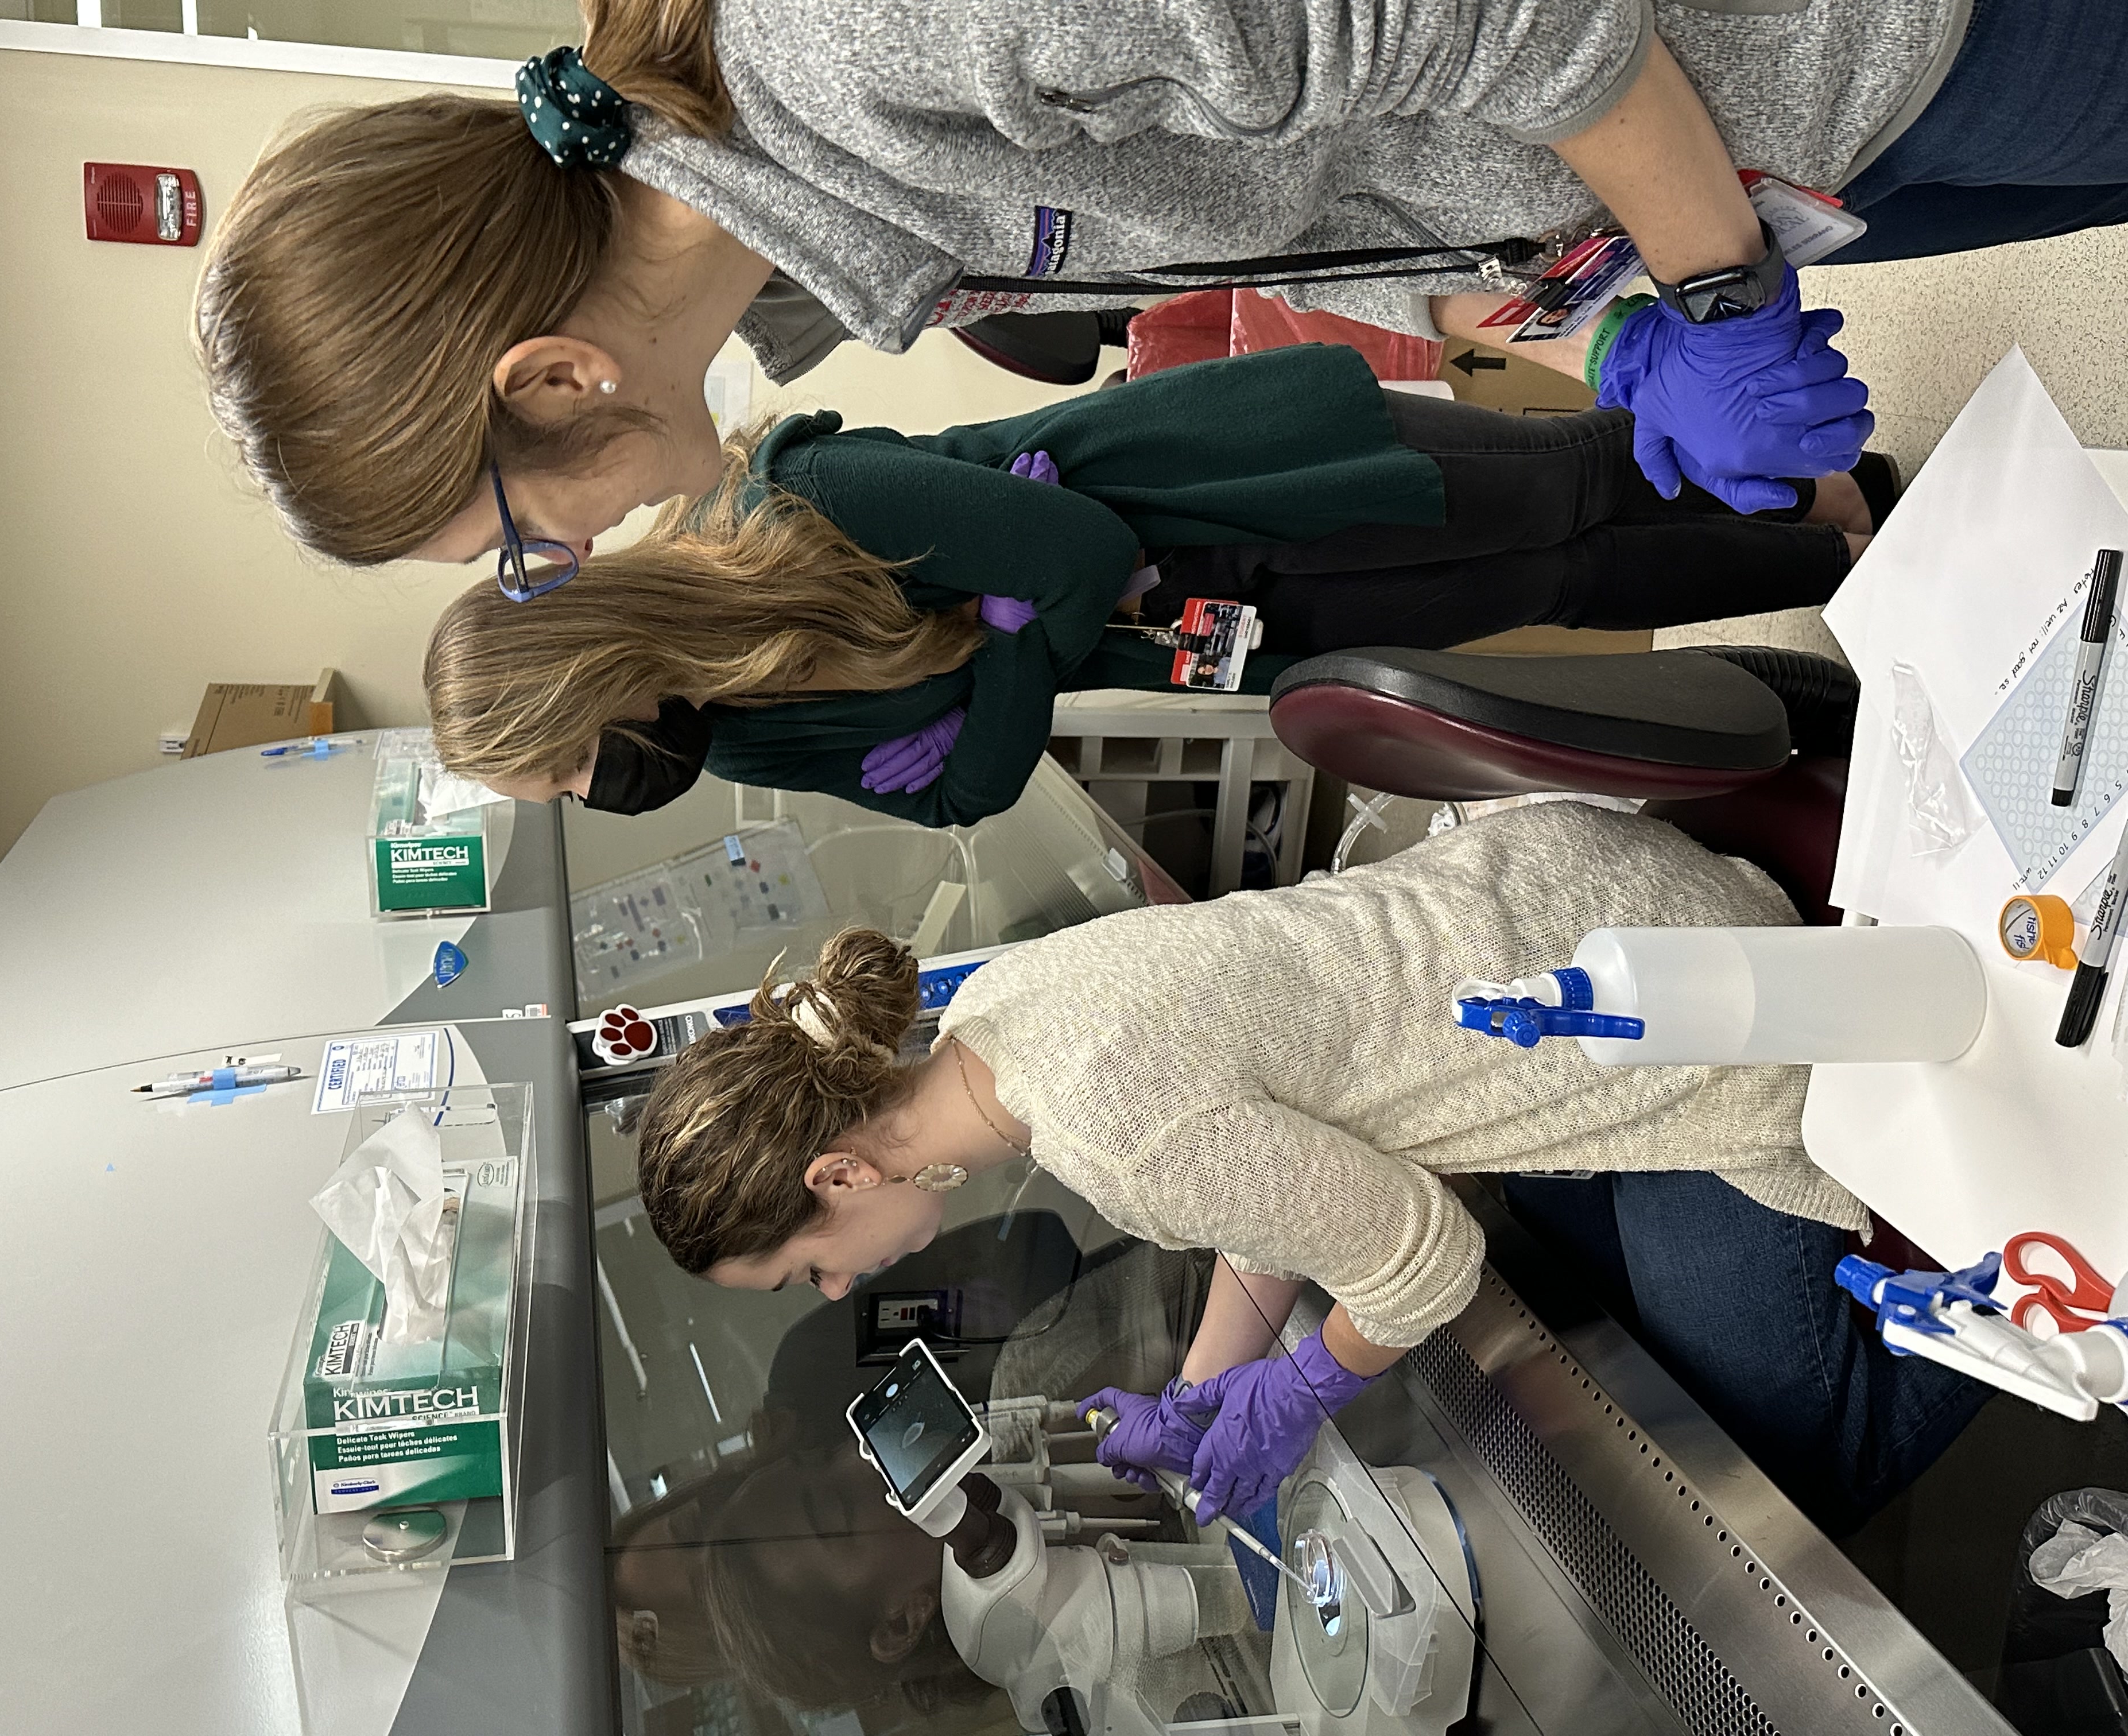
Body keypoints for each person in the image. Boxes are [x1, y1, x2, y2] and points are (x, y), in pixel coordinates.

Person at [207, 0, 2088, 579]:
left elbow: (1509, 16)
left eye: (524, 542)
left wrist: (1721, 295)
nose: (574, 558)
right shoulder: (836, 231)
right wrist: (1607, 323)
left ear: (545, 380)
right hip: (1747, 168)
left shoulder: (854, 46)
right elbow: (1312, 200)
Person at [626, 801, 1989, 1534]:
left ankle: (2063, 1265)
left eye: (801, 1270)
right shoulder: (997, 1012)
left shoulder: (1113, 1140)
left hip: (1689, 1020)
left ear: (839, 1179)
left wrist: (1309, 1382)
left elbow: (1423, 1260)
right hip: (1568, 886)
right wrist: (1210, 1384)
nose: (828, 1295)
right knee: (1612, 1318)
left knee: (1787, 1474)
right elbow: (1274, 1173)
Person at [424, 345, 1872, 826]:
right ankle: (1835, 561)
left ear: (584, 678)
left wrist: (1009, 642)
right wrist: (1007, 632)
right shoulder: (737, 732)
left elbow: (1078, 556)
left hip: (1238, 486)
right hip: (1216, 632)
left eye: (554, 763)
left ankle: (1832, 483)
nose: (575, 792)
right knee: (1554, 582)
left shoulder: (795, 507)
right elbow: (964, 794)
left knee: (1561, 482)